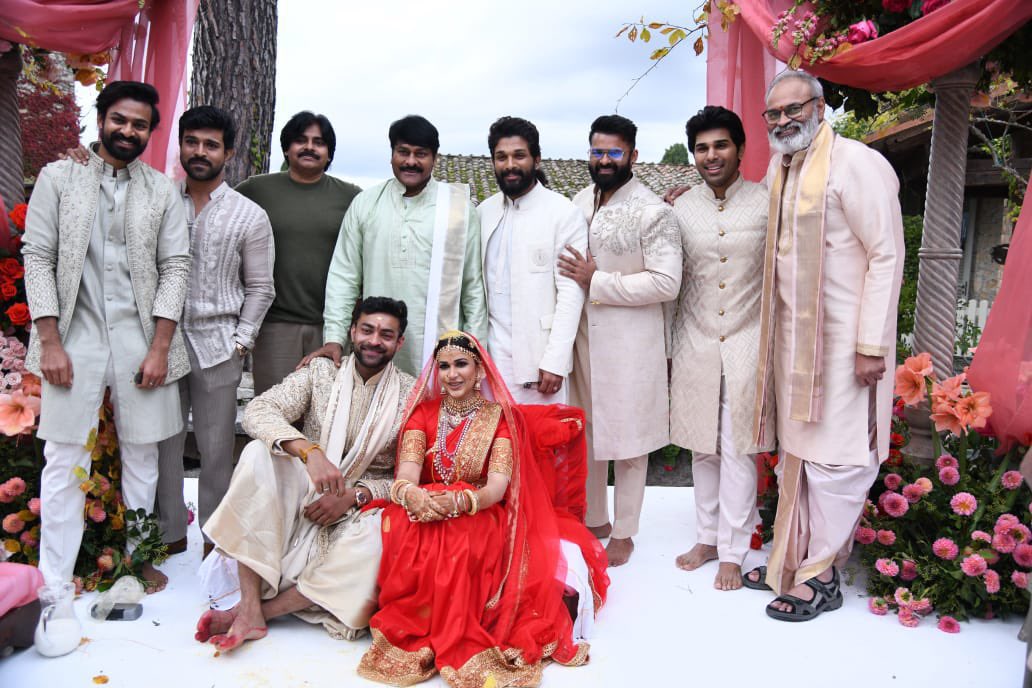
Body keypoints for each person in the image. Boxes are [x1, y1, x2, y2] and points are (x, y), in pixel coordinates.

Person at [357, 331, 608, 687]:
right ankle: (419, 626)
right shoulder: (422, 415)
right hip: (423, 506)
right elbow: (407, 474)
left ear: (479, 370)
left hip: (477, 512)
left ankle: (455, 630)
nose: (452, 374)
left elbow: (496, 488)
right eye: (444, 366)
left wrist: (463, 501)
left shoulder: (498, 419)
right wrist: (411, 494)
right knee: (400, 528)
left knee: (460, 542)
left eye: (461, 364)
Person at [743, 71, 904, 621]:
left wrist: (871, 344)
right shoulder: (780, 168)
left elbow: (886, 254)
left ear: (820, 107)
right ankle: (789, 562)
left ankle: (822, 576)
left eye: (795, 109)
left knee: (838, 460)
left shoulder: (857, 163)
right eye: (774, 113)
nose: (784, 120)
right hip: (795, 343)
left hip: (845, 345)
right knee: (800, 457)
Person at [23, 80, 190, 591]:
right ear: (101, 120)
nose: (128, 130)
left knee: (143, 455)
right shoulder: (59, 177)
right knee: (64, 456)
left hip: (142, 339)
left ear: (150, 132)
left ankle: (138, 560)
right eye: (120, 119)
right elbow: (38, 257)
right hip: (74, 336)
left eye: (139, 124)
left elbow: (175, 267)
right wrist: (50, 342)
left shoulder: (161, 190)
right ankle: (54, 578)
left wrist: (160, 348)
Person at [195, 297, 416, 650]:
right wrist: (309, 453)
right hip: (304, 487)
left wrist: (353, 495)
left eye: (386, 335)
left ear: (399, 342)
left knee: (381, 538)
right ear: (352, 332)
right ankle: (249, 603)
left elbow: (409, 480)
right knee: (257, 454)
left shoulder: (412, 395)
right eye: (367, 330)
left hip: (360, 508)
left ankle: (261, 613)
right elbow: (259, 410)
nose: (374, 341)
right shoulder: (321, 372)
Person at [560, 115, 683, 567]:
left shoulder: (654, 211)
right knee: (588, 432)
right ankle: (595, 518)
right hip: (583, 341)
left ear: (633, 155)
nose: (605, 160)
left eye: (614, 152)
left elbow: (667, 282)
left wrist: (598, 280)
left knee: (630, 439)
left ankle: (625, 531)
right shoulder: (578, 202)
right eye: (597, 151)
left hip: (631, 343)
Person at [156, 106, 276, 559]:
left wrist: (241, 342)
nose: (200, 152)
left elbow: (261, 287)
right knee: (163, 444)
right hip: (161, 345)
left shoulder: (249, 215)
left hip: (219, 346)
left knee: (216, 449)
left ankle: (216, 540)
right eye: (192, 142)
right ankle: (167, 533)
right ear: (181, 146)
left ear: (228, 153)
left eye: (211, 145)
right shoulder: (160, 202)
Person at [669, 106, 775, 591]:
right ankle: (707, 538)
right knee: (701, 446)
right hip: (694, 341)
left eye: (720, 145)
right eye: (702, 148)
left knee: (737, 448)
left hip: (748, 341)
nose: (711, 156)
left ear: (740, 149)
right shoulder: (680, 208)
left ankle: (734, 549)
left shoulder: (767, 202)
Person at [305, 115, 487, 377]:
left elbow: (473, 287)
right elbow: (344, 276)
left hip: (442, 352)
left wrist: (475, 348)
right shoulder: (366, 204)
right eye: (403, 152)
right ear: (391, 155)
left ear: (434, 158)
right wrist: (334, 338)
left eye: (420, 154)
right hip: (377, 347)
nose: (411, 161)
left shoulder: (458, 209)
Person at [236, 111, 360, 394]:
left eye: (319, 142)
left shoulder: (351, 197)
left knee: (327, 410)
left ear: (329, 153)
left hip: (331, 328)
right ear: (286, 148)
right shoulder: (256, 190)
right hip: (274, 326)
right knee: (274, 407)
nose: (309, 147)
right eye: (301, 140)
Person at [478, 116, 587, 403]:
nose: (510, 165)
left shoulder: (563, 213)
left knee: (540, 433)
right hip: (489, 358)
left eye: (519, 155)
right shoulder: (484, 212)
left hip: (539, 361)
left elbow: (571, 293)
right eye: (501, 157)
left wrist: (556, 360)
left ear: (536, 159)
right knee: (493, 433)